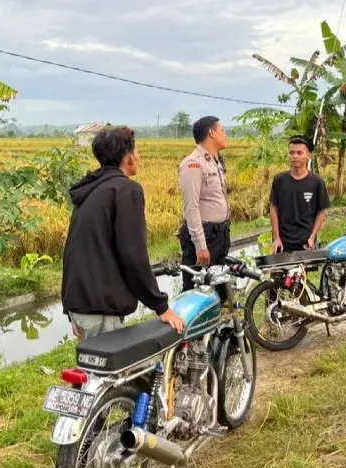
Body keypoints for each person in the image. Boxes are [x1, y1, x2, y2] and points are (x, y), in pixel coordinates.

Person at [61, 125, 185, 341]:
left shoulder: (91, 190)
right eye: (136, 151)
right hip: (101, 309)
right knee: (125, 364)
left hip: (82, 305)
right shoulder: (126, 190)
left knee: (96, 364)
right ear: (128, 157)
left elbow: (72, 250)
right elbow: (133, 255)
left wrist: (72, 308)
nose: (139, 156)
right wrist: (162, 307)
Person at [177, 116, 232, 293]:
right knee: (196, 291)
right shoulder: (193, 164)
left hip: (220, 235)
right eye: (222, 130)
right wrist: (201, 246)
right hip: (205, 236)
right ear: (211, 133)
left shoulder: (216, 161)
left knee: (219, 289)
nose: (225, 134)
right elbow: (191, 208)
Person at [269, 135, 331, 253]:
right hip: (282, 243)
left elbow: (321, 212)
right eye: (291, 153)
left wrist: (312, 236)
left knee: (304, 266)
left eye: (299, 153)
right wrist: (276, 238)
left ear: (308, 156)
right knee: (277, 266)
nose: (295, 156)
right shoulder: (279, 180)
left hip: (306, 242)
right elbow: (273, 209)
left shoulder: (317, 182)